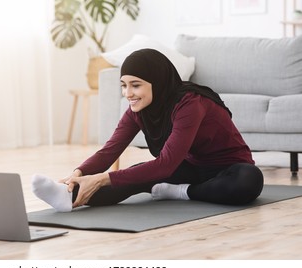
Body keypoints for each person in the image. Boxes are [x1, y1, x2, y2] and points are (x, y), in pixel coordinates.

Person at [32, 48, 264, 212]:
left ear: (157, 81)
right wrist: (79, 174)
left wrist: (103, 178)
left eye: (136, 85)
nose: (128, 93)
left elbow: (167, 164)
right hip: (192, 168)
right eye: (124, 86)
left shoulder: (190, 103)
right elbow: (109, 151)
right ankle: (66, 197)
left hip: (229, 169)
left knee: (249, 181)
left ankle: (180, 192)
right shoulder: (138, 109)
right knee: (136, 174)